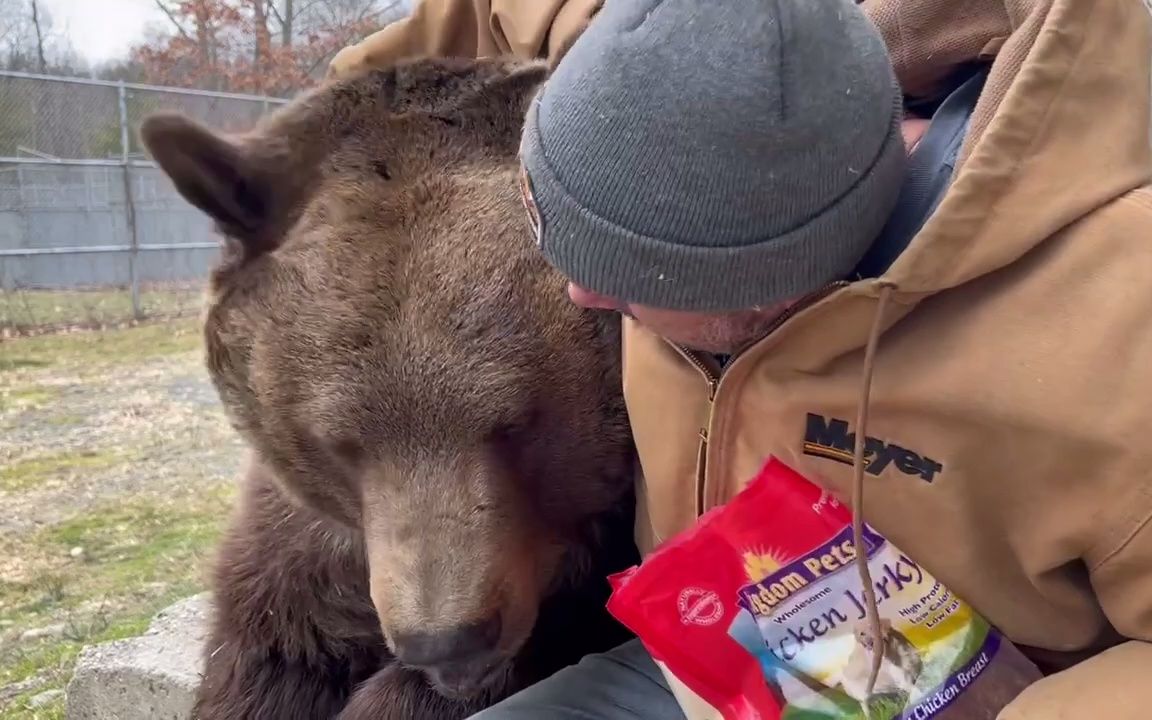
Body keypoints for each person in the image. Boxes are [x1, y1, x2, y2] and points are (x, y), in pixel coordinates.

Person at [330, 1, 1152, 718]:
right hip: (718, 652)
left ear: (772, 291)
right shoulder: (672, 59)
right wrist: (314, 142)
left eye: (625, 280)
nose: (581, 294)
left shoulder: (1118, 337)